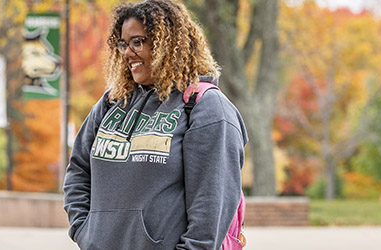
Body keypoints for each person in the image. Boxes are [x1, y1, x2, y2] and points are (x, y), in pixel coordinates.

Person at [63, 0, 248, 249]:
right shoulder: (112, 102)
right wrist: (84, 230)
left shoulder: (205, 107)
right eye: (123, 44)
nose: (127, 52)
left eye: (137, 42)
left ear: (168, 44)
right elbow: (78, 170)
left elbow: (210, 210)